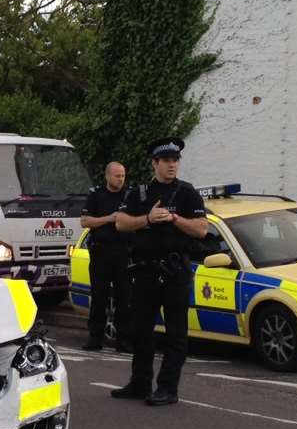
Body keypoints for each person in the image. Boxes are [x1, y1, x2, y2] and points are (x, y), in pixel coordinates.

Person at [111, 137, 208, 407]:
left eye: (175, 160)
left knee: (176, 334)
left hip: (175, 271)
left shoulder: (188, 193)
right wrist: (148, 219)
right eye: (166, 161)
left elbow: (202, 229)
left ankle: (167, 388)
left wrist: (175, 219)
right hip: (144, 271)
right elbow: (120, 223)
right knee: (140, 330)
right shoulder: (140, 193)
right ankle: (140, 383)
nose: (171, 165)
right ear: (154, 163)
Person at [80, 160, 132, 351]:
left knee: (123, 298)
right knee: (99, 296)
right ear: (108, 176)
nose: (121, 179)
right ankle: (95, 338)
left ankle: (123, 339)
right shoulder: (97, 195)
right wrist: (109, 218)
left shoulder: (129, 195)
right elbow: (85, 221)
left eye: (123, 176)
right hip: (101, 252)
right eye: (117, 176)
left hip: (124, 252)